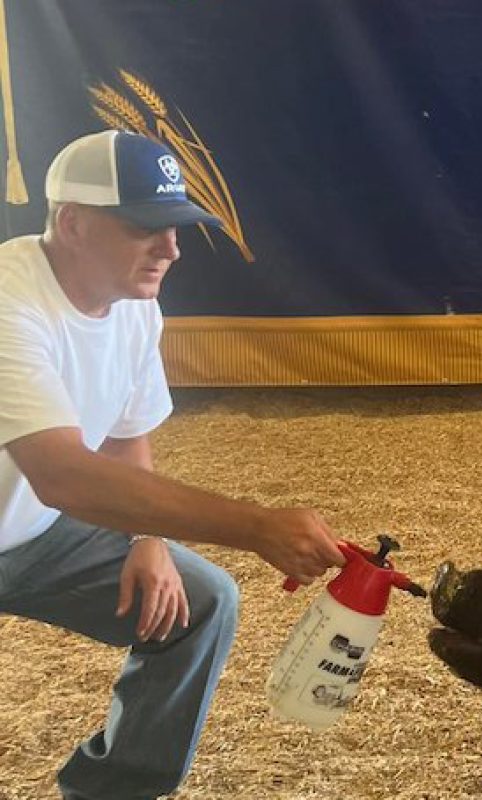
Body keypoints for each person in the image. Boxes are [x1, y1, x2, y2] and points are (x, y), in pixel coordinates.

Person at [0, 130, 347, 799]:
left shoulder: (135, 304)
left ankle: (114, 792)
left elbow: (127, 435)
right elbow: (63, 474)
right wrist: (256, 527)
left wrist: (150, 540)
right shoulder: (9, 303)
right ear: (71, 223)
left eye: (178, 227)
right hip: (44, 510)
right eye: (146, 228)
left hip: (33, 533)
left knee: (201, 602)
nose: (172, 248)